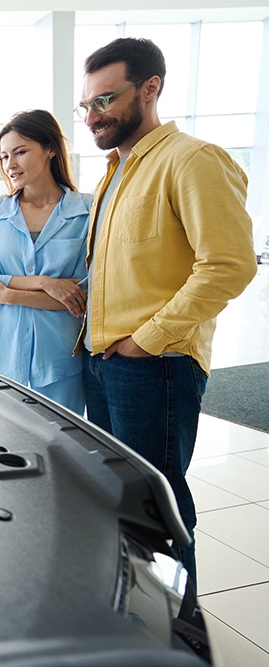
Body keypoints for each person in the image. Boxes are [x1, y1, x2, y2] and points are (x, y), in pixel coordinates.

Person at [76, 37, 257, 585]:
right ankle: (132, 612)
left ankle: (178, 628)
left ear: (150, 88)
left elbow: (229, 265)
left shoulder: (193, 160)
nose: (93, 115)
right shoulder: (114, 172)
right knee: (119, 495)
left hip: (153, 364)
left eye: (105, 100)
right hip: (104, 361)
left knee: (158, 501)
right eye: (86, 105)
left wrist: (146, 339)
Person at [0, 110, 92, 414]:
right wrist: (45, 283)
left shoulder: (88, 212)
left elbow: (82, 297)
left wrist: (9, 294)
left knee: (60, 451)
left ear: (51, 148)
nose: (10, 164)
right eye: (4, 156)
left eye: (21, 152)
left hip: (58, 362)